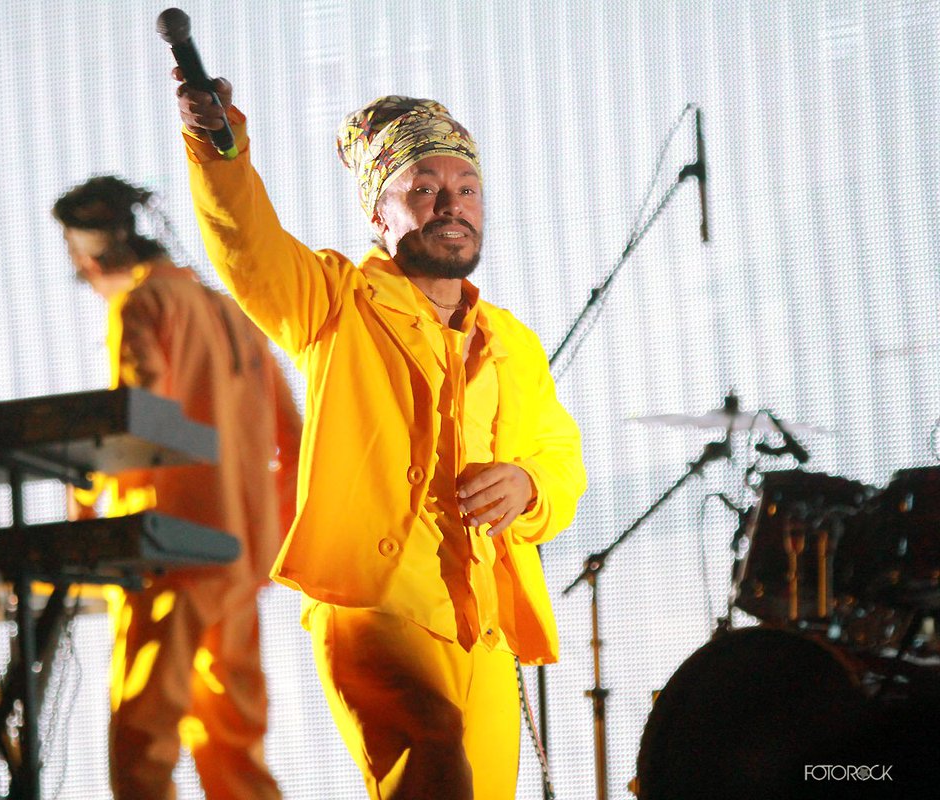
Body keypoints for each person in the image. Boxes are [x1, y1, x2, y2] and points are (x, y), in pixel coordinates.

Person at [172, 78, 587, 800]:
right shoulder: (337, 301)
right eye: (424, 189)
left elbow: (560, 459)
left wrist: (527, 484)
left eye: (467, 188)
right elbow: (250, 248)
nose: (452, 204)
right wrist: (219, 150)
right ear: (376, 212)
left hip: (482, 629)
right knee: (433, 752)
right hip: (376, 606)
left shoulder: (511, 342)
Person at [52, 175, 300, 800]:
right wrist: (267, 540)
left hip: (168, 551)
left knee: (145, 738)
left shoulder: (141, 305)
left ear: (88, 259)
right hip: (240, 561)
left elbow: (137, 419)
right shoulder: (233, 314)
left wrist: (83, 507)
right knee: (233, 739)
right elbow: (297, 441)